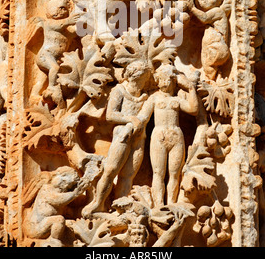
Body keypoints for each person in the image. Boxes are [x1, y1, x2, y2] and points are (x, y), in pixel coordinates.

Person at [82, 61, 152, 216]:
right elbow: (110, 115)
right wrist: (130, 119)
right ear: (135, 76)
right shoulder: (119, 90)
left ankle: (120, 205)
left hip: (138, 138)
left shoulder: (145, 96)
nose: (146, 81)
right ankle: (98, 203)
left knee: (128, 174)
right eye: (144, 78)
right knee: (111, 169)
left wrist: (136, 122)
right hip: (122, 135)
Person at [146, 65, 199, 207]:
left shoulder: (176, 99)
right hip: (159, 137)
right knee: (158, 173)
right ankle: (158, 206)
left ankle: (171, 203)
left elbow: (193, 109)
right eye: (162, 79)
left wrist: (191, 88)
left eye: (168, 79)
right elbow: (143, 117)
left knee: (175, 174)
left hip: (176, 137)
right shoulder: (154, 98)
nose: (165, 82)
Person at [187, 0, 231, 81]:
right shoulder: (214, 13)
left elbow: (205, 18)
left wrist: (192, 8)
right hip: (211, 47)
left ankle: (212, 80)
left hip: (217, 47)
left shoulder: (218, 11)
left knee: (208, 64)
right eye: (202, 0)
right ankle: (214, 79)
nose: (206, 1)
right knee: (208, 67)